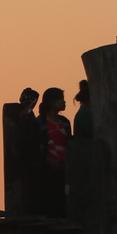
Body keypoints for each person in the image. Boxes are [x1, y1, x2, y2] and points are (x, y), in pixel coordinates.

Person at [36, 87, 70, 218]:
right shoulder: (41, 122)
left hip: (64, 166)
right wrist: (48, 162)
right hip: (48, 168)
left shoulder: (65, 123)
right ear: (51, 102)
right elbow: (38, 146)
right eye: (61, 99)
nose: (64, 102)